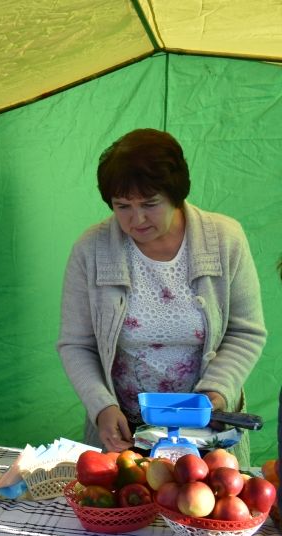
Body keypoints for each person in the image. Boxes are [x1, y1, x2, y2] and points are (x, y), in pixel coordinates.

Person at [57, 128, 266, 465]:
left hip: (208, 428)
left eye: (150, 204)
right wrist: (102, 406)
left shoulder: (225, 239)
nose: (136, 219)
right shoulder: (90, 249)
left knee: (209, 511)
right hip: (125, 433)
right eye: (122, 206)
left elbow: (246, 331)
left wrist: (217, 391)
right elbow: (75, 344)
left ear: (176, 195)